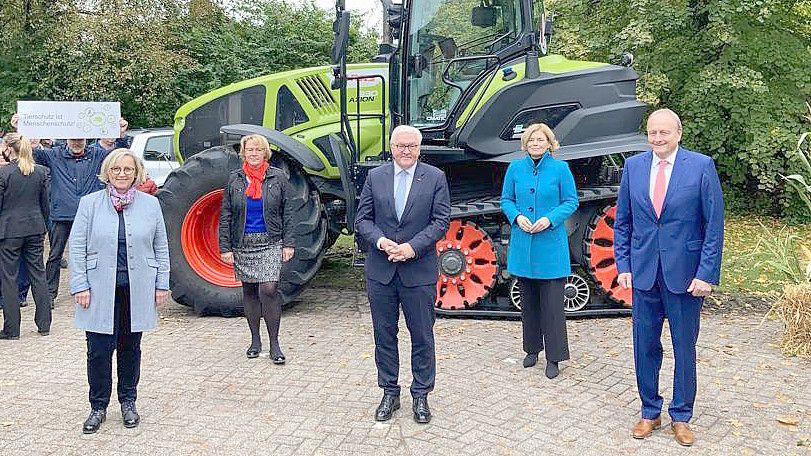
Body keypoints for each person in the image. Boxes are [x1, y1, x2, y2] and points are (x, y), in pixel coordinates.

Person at [614, 109, 724, 446]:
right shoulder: (633, 168)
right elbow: (623, 223)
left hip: (685, 277)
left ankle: (681, 415)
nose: (658, 138)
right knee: (644, 347)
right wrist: (624, 265)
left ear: (678, 133)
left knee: (684, 348)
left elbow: (713, 225)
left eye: (664, 132)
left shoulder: (701, 166)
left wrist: (706, 273)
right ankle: (650, 411)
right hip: (644, 275)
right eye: (652, 133)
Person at [354, 124, 451, 424]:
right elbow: (362, 220)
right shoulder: (375, 176)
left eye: (411, 146)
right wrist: (381, 241)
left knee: (422, 335)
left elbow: (441, 220)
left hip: (417, 270)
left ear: (420, 148)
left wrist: (412, 247)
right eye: (400, 146)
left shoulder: (435, 177)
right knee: (384, 335)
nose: (405, 151)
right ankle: (389, 392)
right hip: (381, 271)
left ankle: (421, 395)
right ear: (392, 147)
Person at [68, 148, 169, 434]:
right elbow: (76, 247)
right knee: (98, 351)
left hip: (136, 289)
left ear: (136, 172)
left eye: (128, 169)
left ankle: (128, 401)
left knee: (130, 348)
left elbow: (161, 246)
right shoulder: (89, 204)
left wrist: (162, 283)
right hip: (98, 290)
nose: (122, 174)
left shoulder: (151, 205)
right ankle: (98, 406)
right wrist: (80, 285)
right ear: (107, 173)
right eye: (116, 170)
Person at [500, 123, 578, 379]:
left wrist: (550, 219)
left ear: (549, 143)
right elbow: (506, 199)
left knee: (553, 306)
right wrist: (516, 216)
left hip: (550, 245)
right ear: (525, 143)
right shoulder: (515, 168)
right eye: (531, 139)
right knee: (528, 302)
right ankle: (532, 349)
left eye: (540, 139)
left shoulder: (560, 169)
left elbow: (571, 201)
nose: (535, 143)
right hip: (524, 244)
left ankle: (554, 357)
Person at [32, 117, 129, 302]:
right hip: (62, 214)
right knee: (55, 255)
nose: (77, 143)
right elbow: (34, 152)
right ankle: (49, 295)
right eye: (73, 139)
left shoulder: (97, 155)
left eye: (80, 140)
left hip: (90, 215)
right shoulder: (55, 155)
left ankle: (96, 287)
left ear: (86, 140)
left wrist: (121, 134)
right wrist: (23, 129)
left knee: (96, 253)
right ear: (66, 140)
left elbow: (119, 155)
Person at [219, 134, 295, 363]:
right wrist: (226, 247)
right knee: (250, 291)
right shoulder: (235, 179)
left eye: (258, 150)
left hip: (271, 240)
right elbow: (226, 215)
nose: (253, 154)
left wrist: (289, 243)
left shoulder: (278, 177)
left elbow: (288, 212)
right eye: (249, 150)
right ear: (244, 153)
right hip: (243, 242)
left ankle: (274, 343)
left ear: (265, 153)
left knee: (269, 289)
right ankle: (255, 340)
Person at [0, 133, 52, 339]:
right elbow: (45, 205)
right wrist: (44, 227)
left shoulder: (4, 174)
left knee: (9, 278)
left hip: (9, 231)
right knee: (38, 274)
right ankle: (44, 324)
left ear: (9, 149)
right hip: (35, 228)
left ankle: (12, 329)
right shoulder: (40, 172)